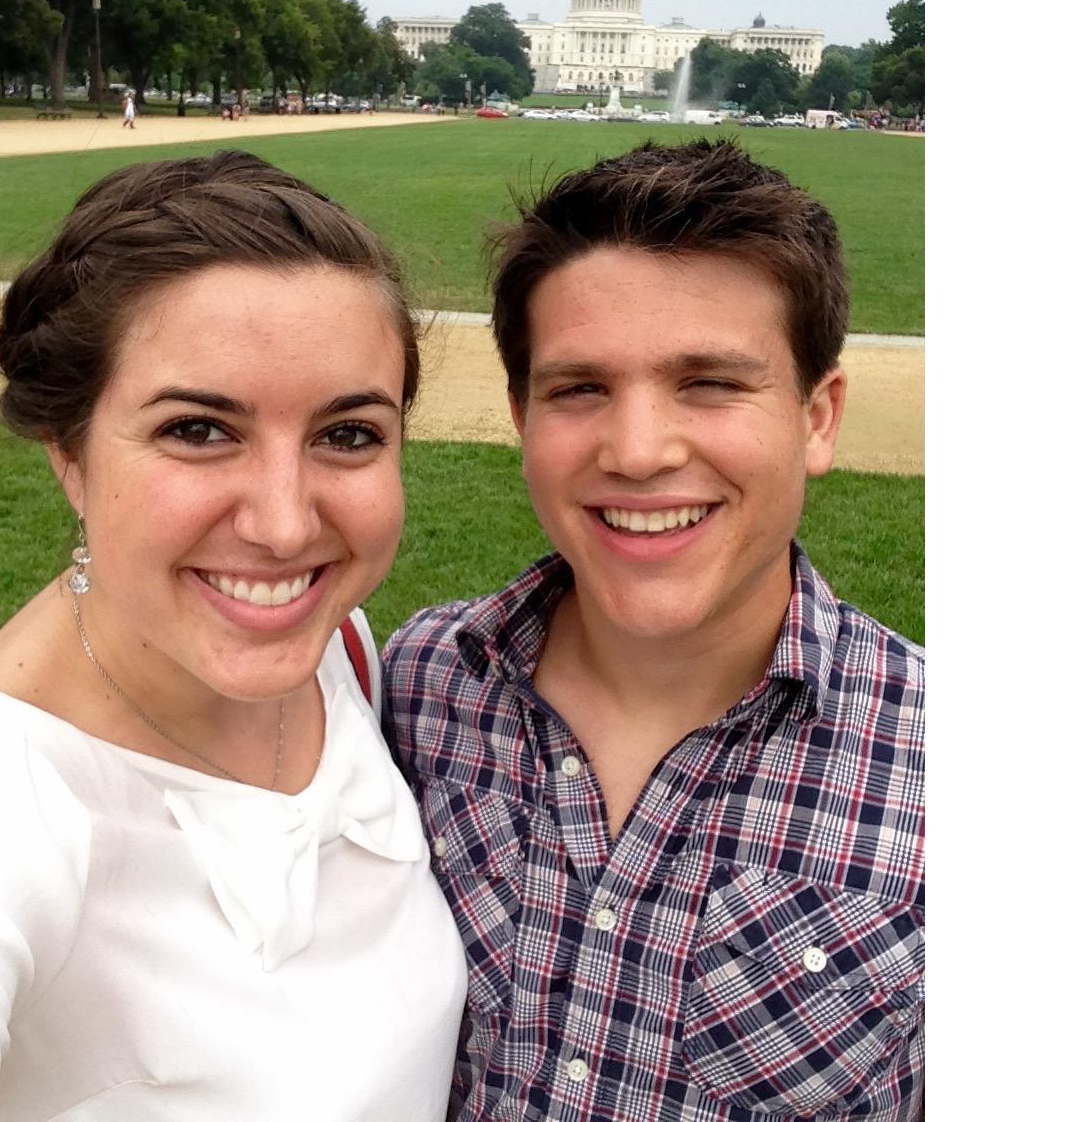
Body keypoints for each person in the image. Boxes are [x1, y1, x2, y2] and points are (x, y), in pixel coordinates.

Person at [383, 139, 924, 1121]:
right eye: (578, 387)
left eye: (709, 382)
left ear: (816, 415)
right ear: (521, 415)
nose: (636, 451)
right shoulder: (417, 684)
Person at [0, 151, 466, 1121]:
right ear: (67, 448)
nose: (284, 524)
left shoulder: (340, 652)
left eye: (348, 433)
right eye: (199, 430)